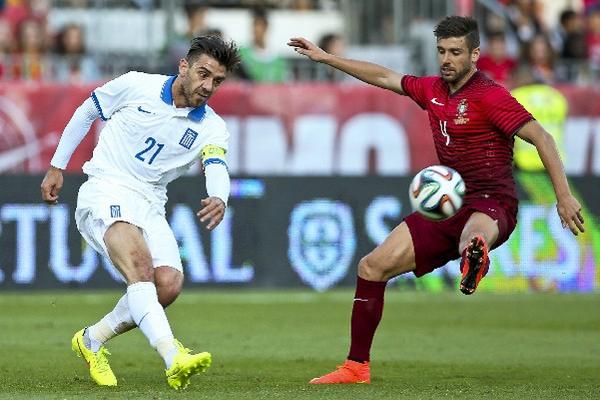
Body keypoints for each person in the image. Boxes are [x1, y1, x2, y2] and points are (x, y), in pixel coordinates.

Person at [288, 15, 585, 385]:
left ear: (474, 55)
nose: (446, 59)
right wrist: (328, 58)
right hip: (447, 203)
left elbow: (541, 137)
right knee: (371, 267)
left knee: (472, 237)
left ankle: (474, 255)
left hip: (492, 202)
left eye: (456, 52)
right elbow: (383, 76)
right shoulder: (431, 89)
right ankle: (355, 368)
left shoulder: (490, 96)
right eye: (442, 51)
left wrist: (564, 195)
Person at [40, 35, 240, 390]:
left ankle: (91, 339)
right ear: (184, 66)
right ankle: (172, 355)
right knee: (141, 269)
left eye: (218, 80)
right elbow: (88, 110)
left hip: (150, 202)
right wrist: (57, 166)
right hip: (106, 188)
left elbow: (216, 165)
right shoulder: (136, 85)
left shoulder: (212, 127)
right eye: (203, 73)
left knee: (167, 284)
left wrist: (218, 196)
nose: (208, 86)